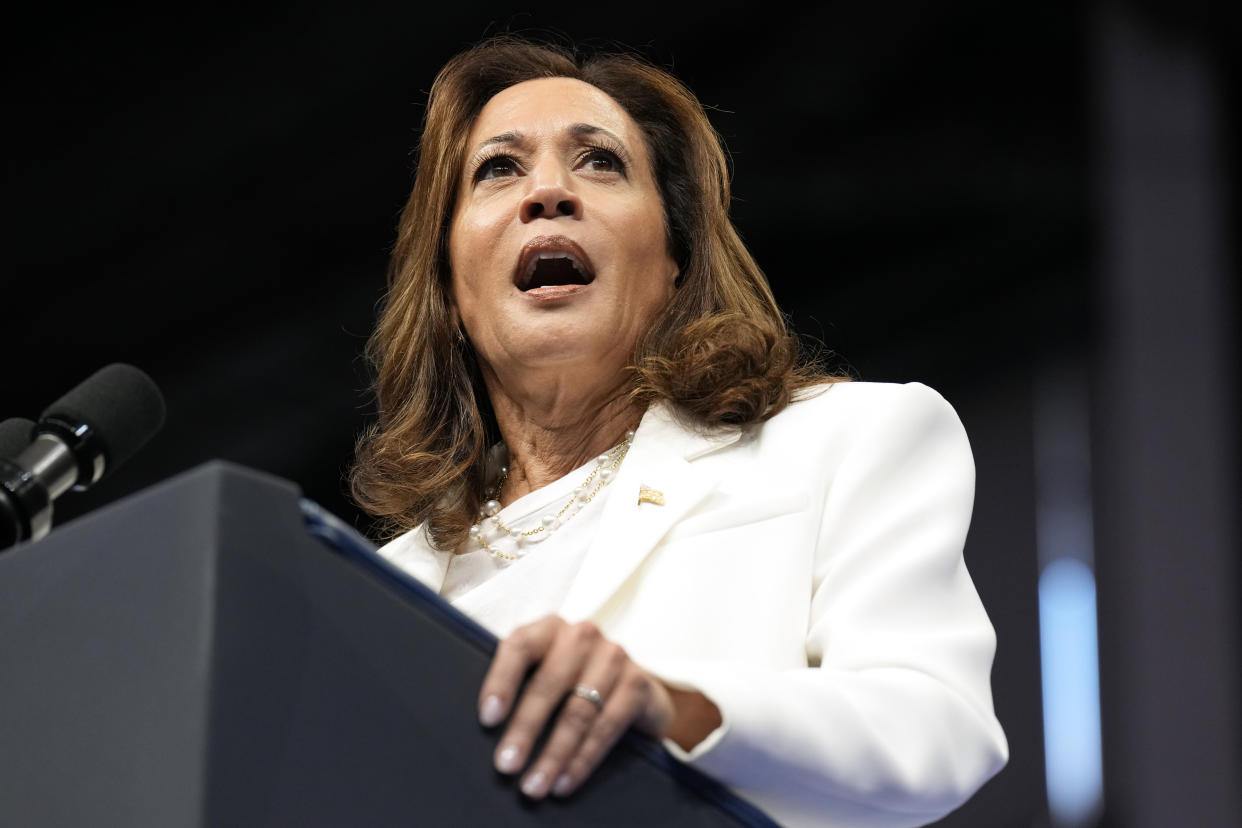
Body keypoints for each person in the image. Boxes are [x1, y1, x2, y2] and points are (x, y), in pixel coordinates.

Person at [351, 37, 1008, 827]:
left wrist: (671, 707)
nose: (547, 192)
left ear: (674, 263)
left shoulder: (848, 441)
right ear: (451, 288)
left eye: (599, 162)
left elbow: (935, 730)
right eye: (498, 168)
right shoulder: (370, 590)